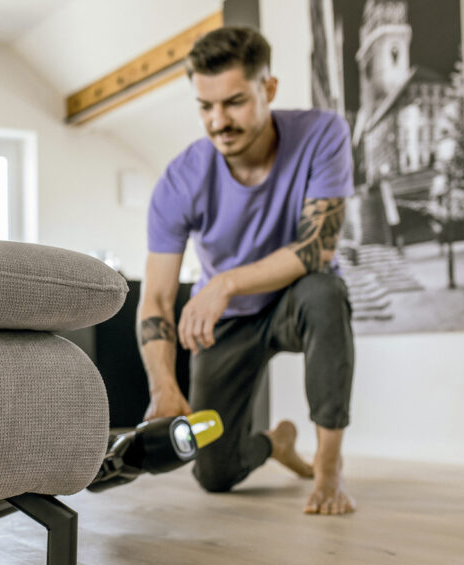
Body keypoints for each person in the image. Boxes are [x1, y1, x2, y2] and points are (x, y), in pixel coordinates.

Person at [138, 25, 356, 514]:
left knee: (326, 293)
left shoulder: (323, 133)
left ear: (269, 89)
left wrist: (226, 281)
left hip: (293, 298)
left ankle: (329, 467)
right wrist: (164, 388)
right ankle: (276, 444)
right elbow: (155, 300)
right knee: (214, 475)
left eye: (234, 102)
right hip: (229, 320)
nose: (219, 121)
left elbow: (317, 249)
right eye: (205, 106)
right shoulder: (180, 180)